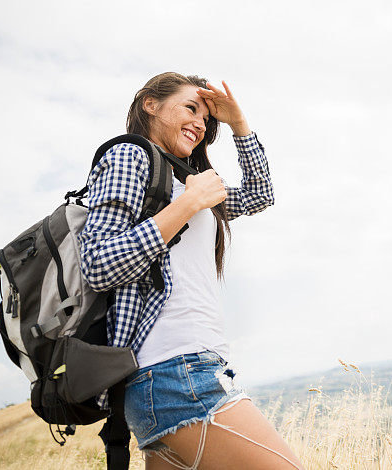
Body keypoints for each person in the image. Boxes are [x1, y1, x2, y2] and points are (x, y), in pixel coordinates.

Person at [78, 71, 305, 469]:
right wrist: (188, 204)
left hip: (177, 375)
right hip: (173, 372)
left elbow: (260, 194)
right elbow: (99, 263)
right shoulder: (131, 156)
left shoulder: (186, 182)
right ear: (151, 104)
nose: (201, 124)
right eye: (190, 108)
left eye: (207, 120)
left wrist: (237, 124)